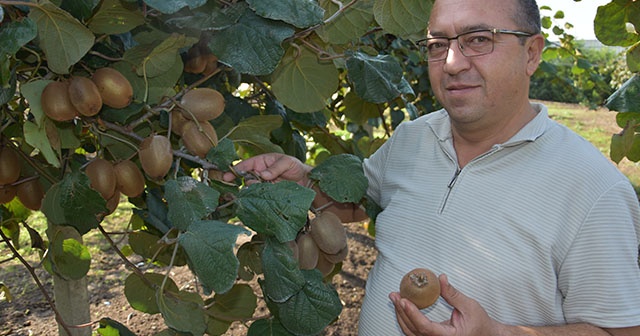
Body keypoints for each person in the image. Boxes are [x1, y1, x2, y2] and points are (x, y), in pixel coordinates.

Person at [223, 0, 640, 334]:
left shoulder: (594, 190)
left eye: (478, 39)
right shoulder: (413, 137)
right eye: (437, 44)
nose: (452, 62)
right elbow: (359, 203)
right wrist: (305, 184)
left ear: (531, 53)